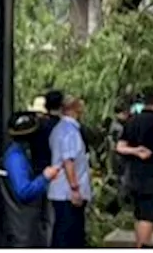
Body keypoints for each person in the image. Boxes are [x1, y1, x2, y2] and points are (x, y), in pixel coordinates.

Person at [116, 92, 153, 248]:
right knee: (147, 215)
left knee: (138, 213)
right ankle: (144, 247)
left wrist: (136, 151)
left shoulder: (132, 120)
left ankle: (139, 245)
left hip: (133, 174)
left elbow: (120, 147)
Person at [0, 112, 62, 247]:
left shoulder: (18, 154)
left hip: (25, 228)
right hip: (23, 230)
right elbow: (24, 192)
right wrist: (45, 177)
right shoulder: (16, 159)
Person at [48, 95, 91, 248]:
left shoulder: (59, 129)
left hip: (60, 191)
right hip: (68, 193)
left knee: (63, 231)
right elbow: (68, 161)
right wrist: (75, 188)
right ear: (74, 109)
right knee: (69, 235)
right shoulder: (70, 132)